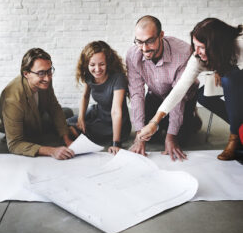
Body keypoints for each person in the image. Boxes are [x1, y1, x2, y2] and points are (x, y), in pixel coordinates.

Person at [138, 18, 243, 161]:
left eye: (201, 47)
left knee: (229, 78)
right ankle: (239, 127)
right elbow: (179, 90)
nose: (196, 52)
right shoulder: (197, 57)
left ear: (216, 46)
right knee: (202, 96)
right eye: (195, 46)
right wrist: (154, 122)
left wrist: (223, 69)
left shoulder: (240, 45)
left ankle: (234, 138)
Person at [126, 15, 200, 161]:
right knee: (148, 137)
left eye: (150, 41)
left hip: (184, 96)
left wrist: (171, 136)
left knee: (180, 139)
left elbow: (177, 95)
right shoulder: (133, 54)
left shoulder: (184, 52)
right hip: (155, 95)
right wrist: (139, 135)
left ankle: (193, 118)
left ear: (161, 35)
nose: (145, 48)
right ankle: (164, 125)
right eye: (139, 42)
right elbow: (136, 94)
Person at [0, 48, 75, 160]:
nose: (47, 78)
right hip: (23, 123)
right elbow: (14, 144)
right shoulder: (12, 99)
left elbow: (54, 107)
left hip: (37, 114)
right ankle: (18, 133)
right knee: (33, 135)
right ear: (26, 74)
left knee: (67, 112)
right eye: (41, 73)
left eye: (49, 71)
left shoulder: (45, 77)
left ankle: (58, 129)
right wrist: (52, 151)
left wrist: (67, 140)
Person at [67, 41, 131, 154]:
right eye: (92, 65)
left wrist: (116, 143)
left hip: (114, 123)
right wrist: (81, 117)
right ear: (87, 64)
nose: (97, 69)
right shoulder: (88, 75)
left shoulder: (118, 78)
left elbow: (116, 111)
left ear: (108, 62)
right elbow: (85, 96)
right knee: (65, 123)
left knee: (74, 130)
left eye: (102, 64)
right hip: (97, 112)